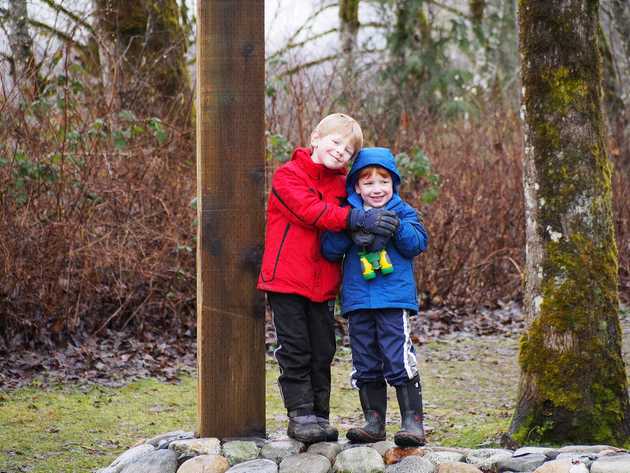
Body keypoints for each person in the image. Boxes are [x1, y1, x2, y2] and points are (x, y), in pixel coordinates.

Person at [258, 114, 400, 444]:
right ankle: (300, 414)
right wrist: (358, 219)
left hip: (323, 283)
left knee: (323, 350)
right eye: (335, 143)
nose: (340, 152)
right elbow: (311, 212)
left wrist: (374, 224)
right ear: (315, 137)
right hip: (287, 280)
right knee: (296, 349)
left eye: (348, 151)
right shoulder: (287, 176)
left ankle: (320, 415)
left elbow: (365, 207)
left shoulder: (342, 187)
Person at [321, 147, 429, 447]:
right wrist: (350, 228)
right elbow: (329, 248)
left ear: (393, 184)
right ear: (356, 185)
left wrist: (396, 227)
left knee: (398, 358)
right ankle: (373, 421)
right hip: (357, 301)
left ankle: (412, 422)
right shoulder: (348, 214)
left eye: (383, 181)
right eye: (368, 182)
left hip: (394, 300)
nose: (376, 188)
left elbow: (418, 243)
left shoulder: (403, 211)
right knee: (365, 361)